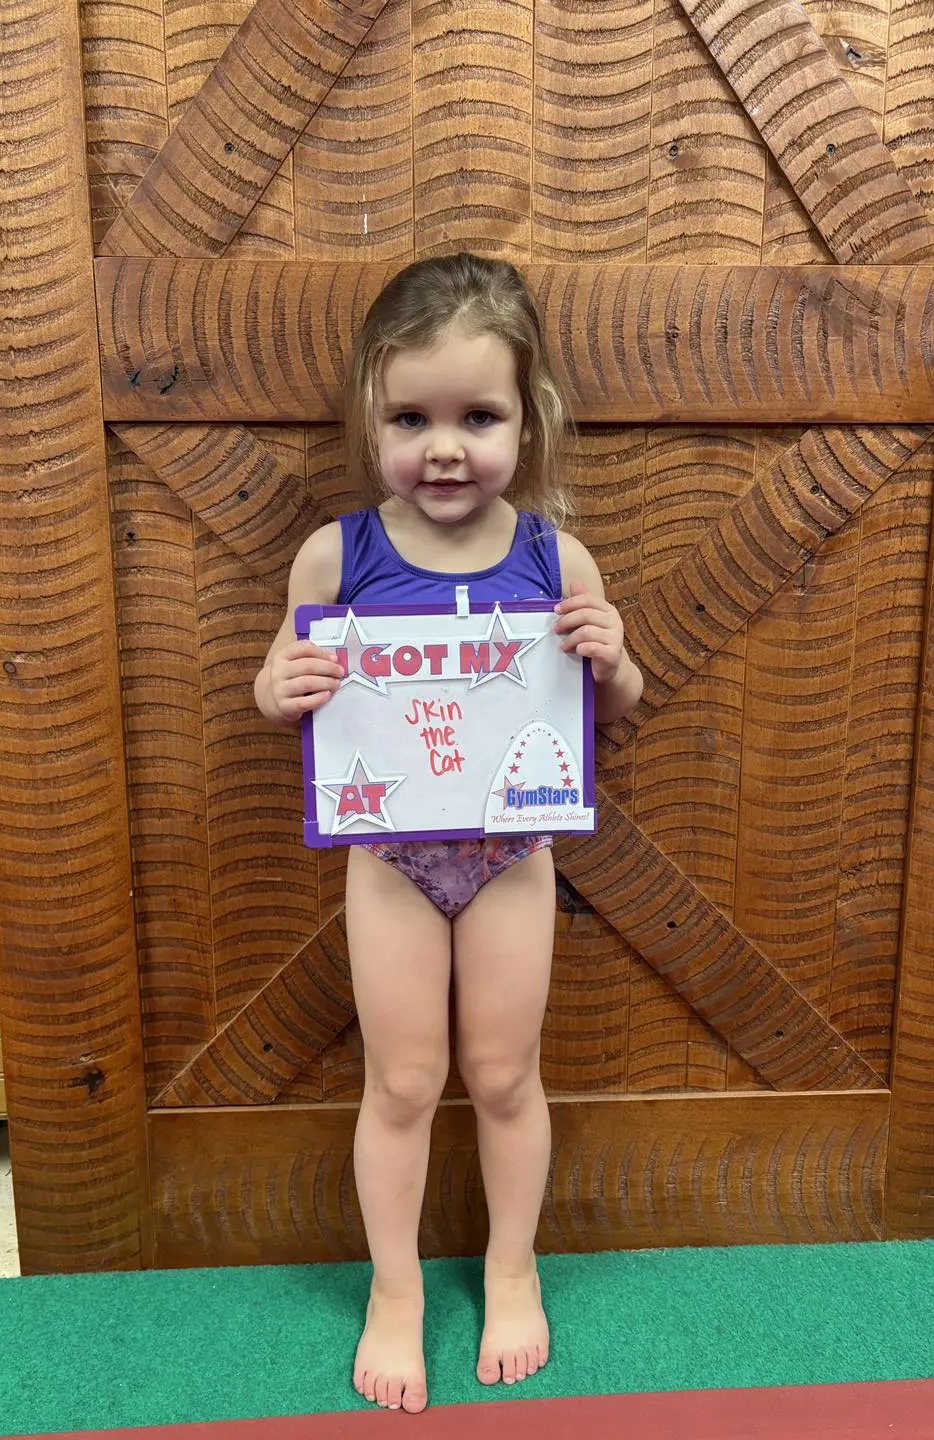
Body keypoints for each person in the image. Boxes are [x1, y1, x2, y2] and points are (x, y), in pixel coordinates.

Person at [254, 253, 643, 1414]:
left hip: (513, 856)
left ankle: (512, 1267)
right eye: (410, 417)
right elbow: (283, 685)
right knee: (407, 1078)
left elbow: (608, 708)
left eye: (478, 416)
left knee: (503, 1073)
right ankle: (394, 1289)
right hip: (391, 861)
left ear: (530, 421)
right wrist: (280, 685)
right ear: (370, 417)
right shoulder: (338, 557)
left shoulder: (553, 560)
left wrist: (613, 657)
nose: (444, 447)